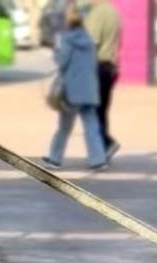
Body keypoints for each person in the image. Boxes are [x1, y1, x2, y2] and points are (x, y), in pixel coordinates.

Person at [43, 2, 108, 170]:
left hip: (71, 91)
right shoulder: (89, 40)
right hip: (89, 90)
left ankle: (54, 158)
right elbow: (93, 64)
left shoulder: (67, 39)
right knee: (91, 125)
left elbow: (62, 62)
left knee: (64, 126)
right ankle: (98, 160)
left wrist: (56, 52)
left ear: (68, 21)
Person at [84, 0, 121, 160]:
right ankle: (102, 149)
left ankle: (104, 144)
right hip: (109, 66)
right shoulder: (113, 11)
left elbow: (91, 42)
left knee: (91, 111)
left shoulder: (97, 13)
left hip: (96, 66)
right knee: (101, 110)